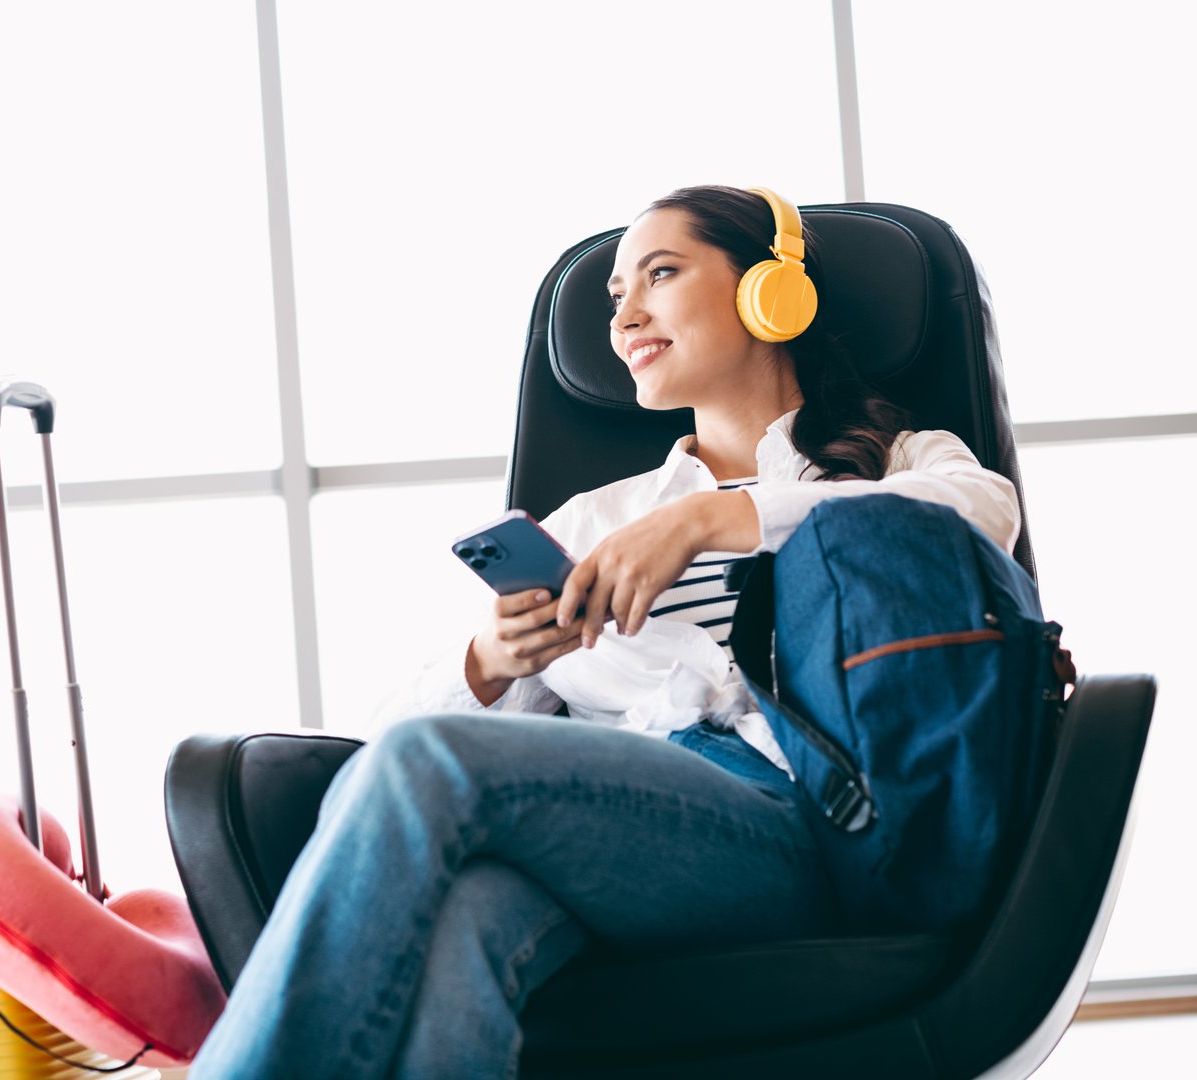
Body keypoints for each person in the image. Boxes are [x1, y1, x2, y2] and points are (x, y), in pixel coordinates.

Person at [187, 185, 1021, 1079]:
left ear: (769, 294)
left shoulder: (897, 461)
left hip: (807, 826)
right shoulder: (591, 524)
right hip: (623, 835)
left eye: (660, 274)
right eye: (615, 293)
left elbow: (976, 520)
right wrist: (488, 663)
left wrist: (712, 522)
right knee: (469, 915)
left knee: (434, 764)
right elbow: (375, 772)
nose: (625, 312)